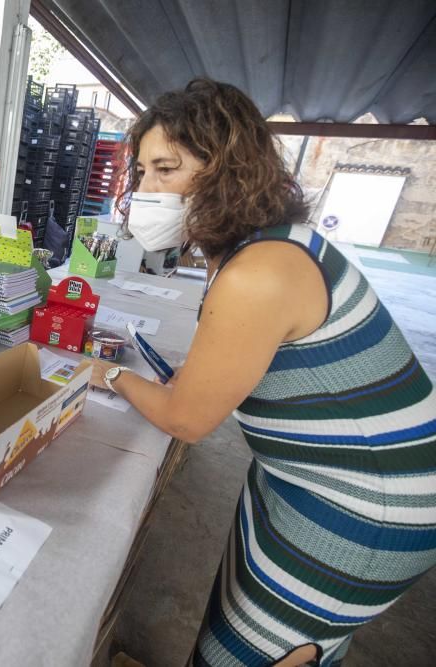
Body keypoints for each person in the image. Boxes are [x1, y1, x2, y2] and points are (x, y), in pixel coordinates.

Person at [95, 79, 436, 666]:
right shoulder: (267, 245)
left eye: (165, 169)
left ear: (225, 170)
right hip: (304, 475)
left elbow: (187, 419)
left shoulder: (260, 270)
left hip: (363, 507)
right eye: (143, 173)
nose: (145, 190)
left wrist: (104, 374)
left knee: (259, 652)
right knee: (236, 619)